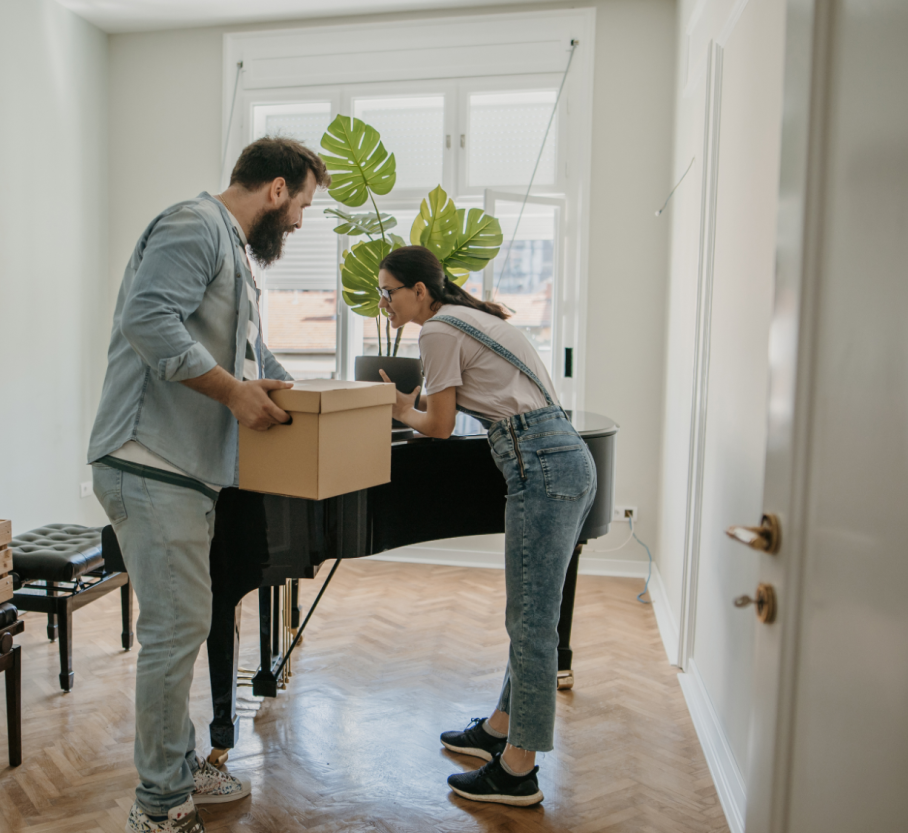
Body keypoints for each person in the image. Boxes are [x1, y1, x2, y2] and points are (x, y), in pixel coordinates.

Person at [86, 137, 329, 833]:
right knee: (175, 629)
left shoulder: (229, 248)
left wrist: (302, 390)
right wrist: (233, 394)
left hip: (181, 466)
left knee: (183, 622)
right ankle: (159, 804)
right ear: (277, 189)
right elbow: (147, 319)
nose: (300, 223)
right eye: (303, 206)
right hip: (147, 457)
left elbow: (244, 351)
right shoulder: (194, 226)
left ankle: (176, 761)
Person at [375, 245, 596, 808]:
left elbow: (440, 425)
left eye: (389, 292)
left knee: (532, 621)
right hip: (560, 456)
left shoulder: (437, 331)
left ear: (419, 291)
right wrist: (414, 404)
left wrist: (401, 409)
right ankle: (500, 727)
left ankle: (519, 769)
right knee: (529, 614)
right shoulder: (474, 318)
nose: (384, 304)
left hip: (540, 465)